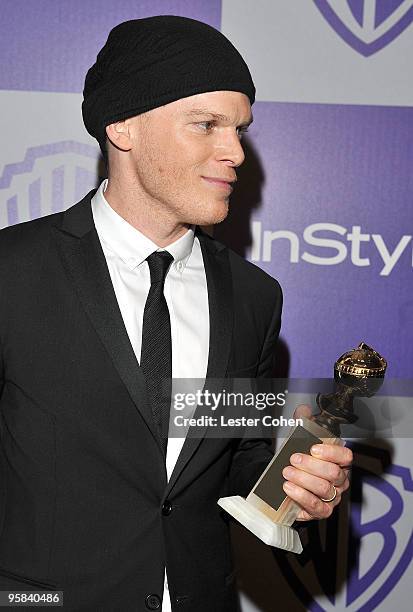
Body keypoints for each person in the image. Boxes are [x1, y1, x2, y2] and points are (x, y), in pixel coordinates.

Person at [0, 16, 352, 611]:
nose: (236, 151)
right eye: (206, 124)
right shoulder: (12, 271)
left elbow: (235, 464)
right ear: (124, 127)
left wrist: (297, 487)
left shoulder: (253, 296)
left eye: (239, 128)